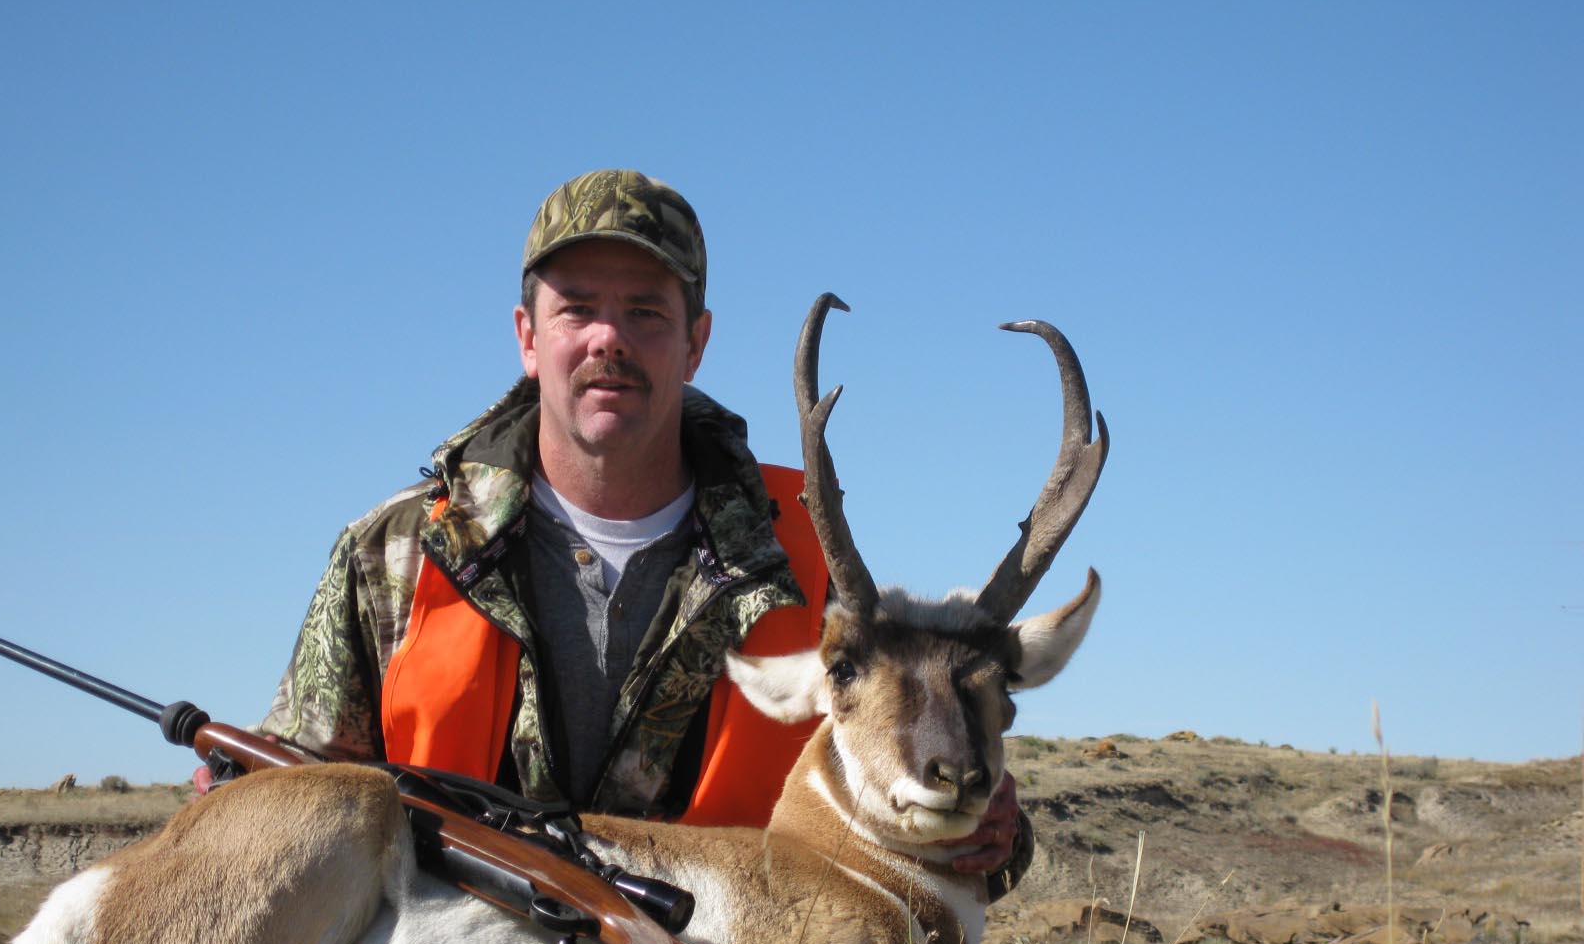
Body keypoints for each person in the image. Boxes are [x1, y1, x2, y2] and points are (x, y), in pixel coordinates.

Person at [252, 168, 1026, 884]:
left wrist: (992, 836)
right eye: (577, 308)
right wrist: (242, 796)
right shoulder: (393, 554)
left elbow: (904, 793)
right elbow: (295, 793)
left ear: (696, 342)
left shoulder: (812, 564)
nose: (608, 339)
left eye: (646, 312)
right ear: (528, 336)